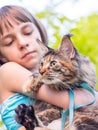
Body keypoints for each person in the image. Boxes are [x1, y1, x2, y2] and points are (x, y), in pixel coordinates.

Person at [0, 5, 98, 130]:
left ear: (39, 32)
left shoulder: (54, 70)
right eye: (9, 42)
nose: (22, 43)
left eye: (27, 32)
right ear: (1, 56)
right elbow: (76, 101)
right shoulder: (8, 71)